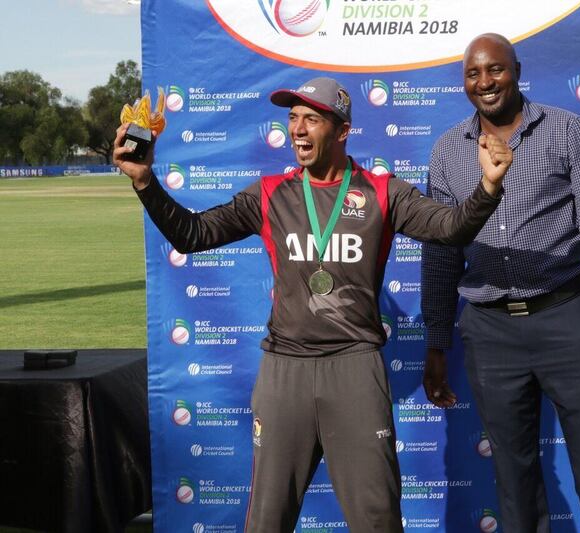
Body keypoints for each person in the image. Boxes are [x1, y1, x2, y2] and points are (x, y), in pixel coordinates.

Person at [113, 77, 512, 533]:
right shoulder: (270, 194)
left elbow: (452, 228)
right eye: (292, 118)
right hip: (285, 371)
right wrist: (145, 181)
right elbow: (192, 234)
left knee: (378, 520)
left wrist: (487, 187)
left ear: (341, 130)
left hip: (354, 369)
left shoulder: (384, 192)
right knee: (266, 522)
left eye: (312, 119)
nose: (297, 130)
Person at [420, 34, 580, 532]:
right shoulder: (445, 152)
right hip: (490, 332)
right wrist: (438, 341)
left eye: (495, 70)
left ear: (517, 69)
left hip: (567, 321)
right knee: (513, 480)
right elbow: (439, 259)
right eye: (473, 73)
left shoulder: (567, 131)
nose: (485, 82)